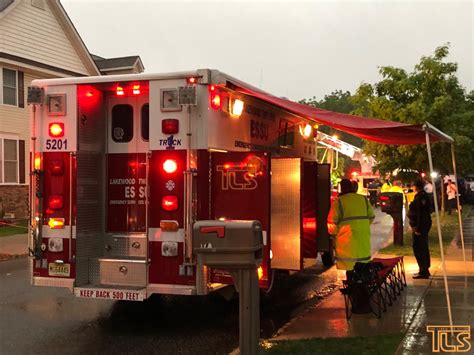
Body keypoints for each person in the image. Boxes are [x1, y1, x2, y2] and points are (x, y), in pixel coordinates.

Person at [327, 178, 375, 272]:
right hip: (363, 236)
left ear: (342, 188)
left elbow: (332, 222)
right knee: (362, 264)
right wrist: (362, 226)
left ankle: (353, 284)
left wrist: (334, 235)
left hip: (346, 238)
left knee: (350, 267)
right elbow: (371, 216)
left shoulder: (339, 201)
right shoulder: (363, 199)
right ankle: (363, 283)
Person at [407, 179, 432, 279]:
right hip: (422, 225)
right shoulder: (423, 196)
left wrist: (417, 227)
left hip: (420, 226)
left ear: (416, 187)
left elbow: (419, 214)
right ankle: (424, 268)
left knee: (419, 247)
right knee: (422, 246)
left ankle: (423, 270)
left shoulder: (420, 198)